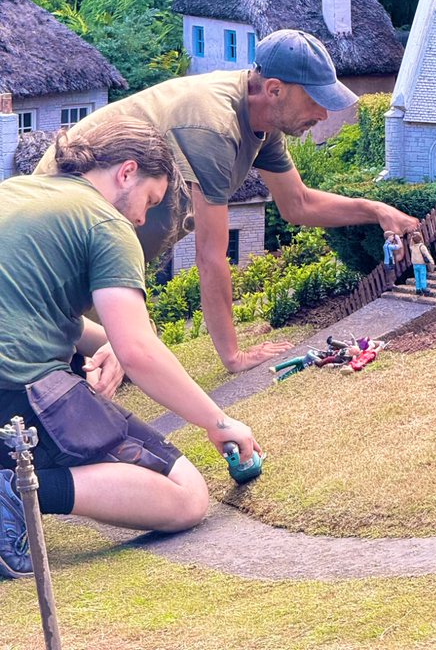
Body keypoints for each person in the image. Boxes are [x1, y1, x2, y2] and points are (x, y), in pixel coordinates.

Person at [36, 29, 417, 380]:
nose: (324, 114)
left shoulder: (262, 126)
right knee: (95, 352)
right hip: (62, 225)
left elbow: (297, 204)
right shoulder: (213, 127)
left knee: (122, 354)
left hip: (105, 240)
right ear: (274, 89)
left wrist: (376, 210)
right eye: (316, 100)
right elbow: (211, 254)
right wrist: (233, 356)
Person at [0, 118, 258, 581]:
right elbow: (139, 350)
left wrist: (114, 344)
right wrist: (218, 422)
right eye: (150, 200)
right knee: (186, 495)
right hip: (14, 388)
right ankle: (16, 493)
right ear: (126, 172)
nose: (141, 218)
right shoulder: (105, 222)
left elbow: (41, 313)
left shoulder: (18, 191)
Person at [409, 231, 434, 296]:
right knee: (422, 276)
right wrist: (431, 261)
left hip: (415, 265)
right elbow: (427, 254)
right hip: (421, 264)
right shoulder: (422, 246)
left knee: (417, 277)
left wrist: (411, 238)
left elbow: (410, 244)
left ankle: (418, 289)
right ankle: (424, 288)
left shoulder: (412, 246)